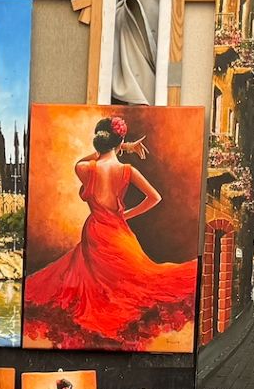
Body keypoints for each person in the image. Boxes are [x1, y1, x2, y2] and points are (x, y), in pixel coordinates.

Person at [23, 115, 196, 345]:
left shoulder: (84, 169)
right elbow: (155, 197)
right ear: (118, 140)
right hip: (119, 235)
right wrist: (126, 214)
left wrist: (118, 145)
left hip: (95, 232)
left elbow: (86, 158)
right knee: (137, 284)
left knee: (95, 285)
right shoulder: (127, 170)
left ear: (99, 140)